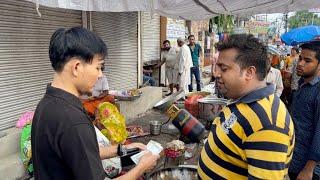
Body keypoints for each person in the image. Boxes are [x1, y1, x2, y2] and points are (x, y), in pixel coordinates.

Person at [31, 27, 159, 180]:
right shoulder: (73, 120)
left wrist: (120, 150)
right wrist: (141, 167)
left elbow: (79, 152)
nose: (100, 75)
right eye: (98, 67)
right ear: (77, 67)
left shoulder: (47, 104)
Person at [197, 34, 294, 179]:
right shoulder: (239, 98)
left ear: (249, 72)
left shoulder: (267, 124)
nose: (215, 73)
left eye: (223, 69)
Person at [288, 41, 320, 180]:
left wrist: (309, 168)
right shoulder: (302, 84)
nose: (300, 63)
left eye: (307, 61)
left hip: (308, 169)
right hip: (293, 159)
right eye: (300, 58)